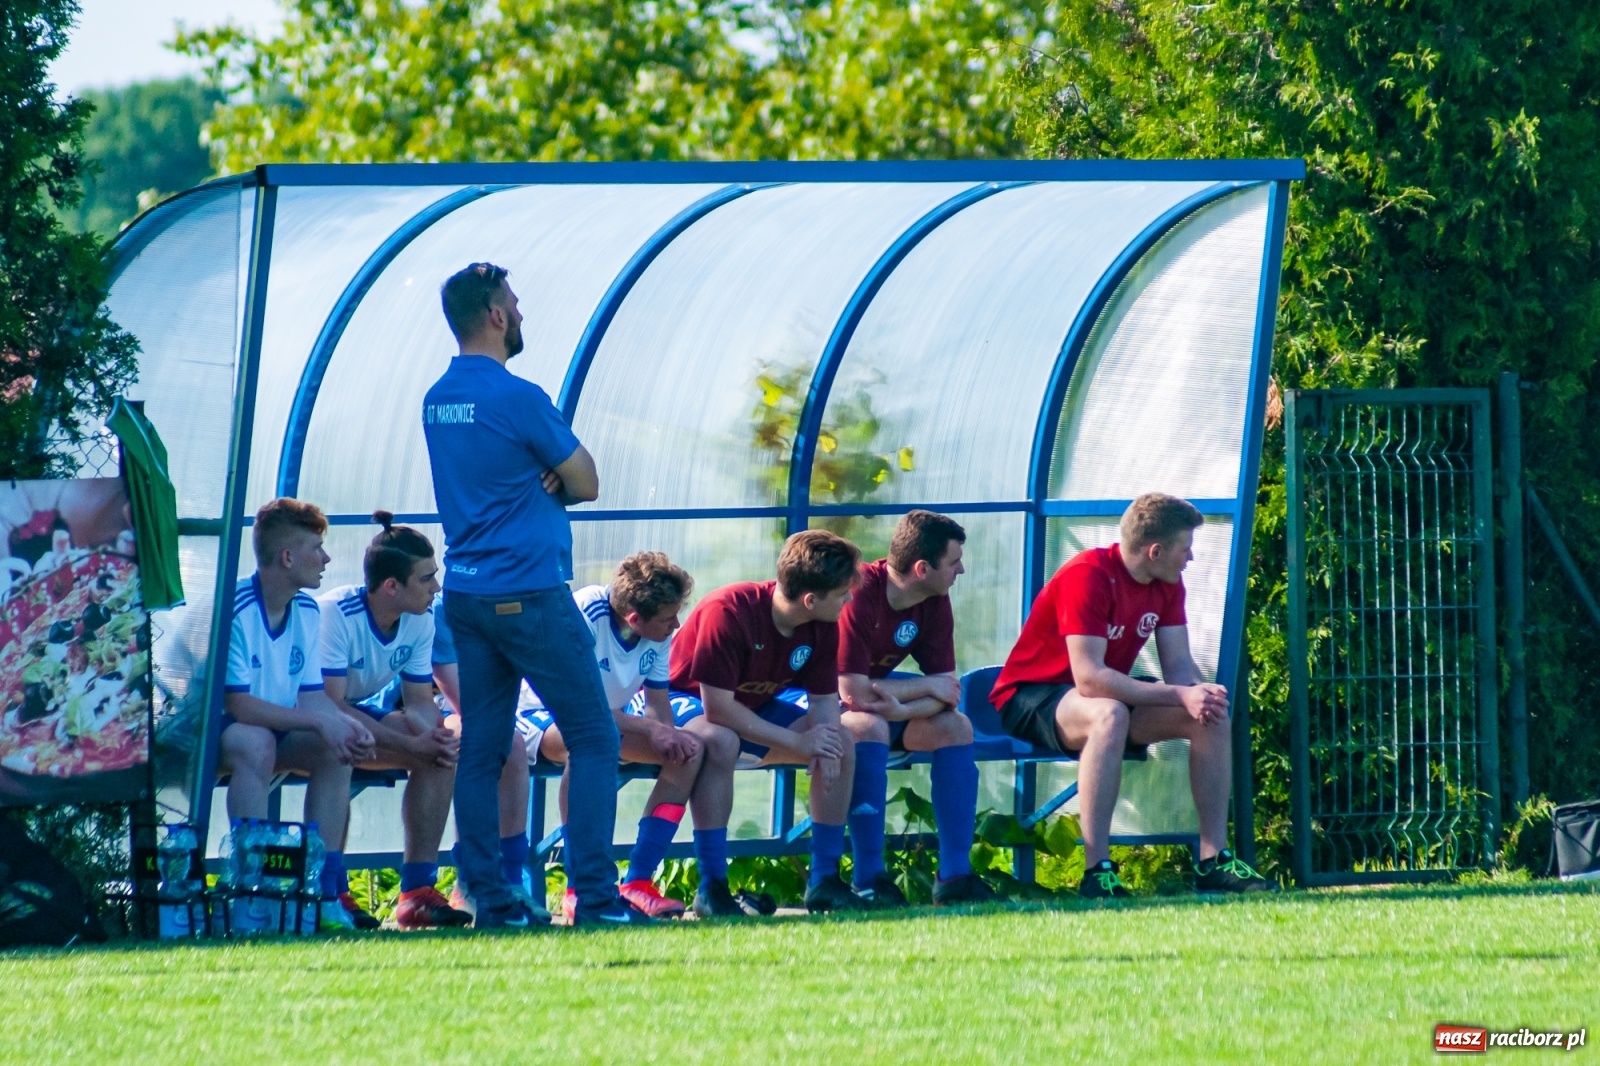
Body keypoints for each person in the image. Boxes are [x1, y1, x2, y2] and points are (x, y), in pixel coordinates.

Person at [422, 262, 636, 928]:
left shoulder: (436, 397)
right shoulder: (518, 396)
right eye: (513, 303)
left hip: (466, 594)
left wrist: (541, 472)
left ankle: (487, 895)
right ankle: (597, 899)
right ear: (494, 315)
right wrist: (553, 474)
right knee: (596, 739)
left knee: (485, 744)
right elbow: (588, 480)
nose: (520, 313)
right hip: (530, 592)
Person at [990, 493, 1276, 898]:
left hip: (1099, 697)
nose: (1189, 559)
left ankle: (1214, 859)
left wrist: (1198, 694)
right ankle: (1097, 872)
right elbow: (1088, 678)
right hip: (1032, 697)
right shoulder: (1087, 575)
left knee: (1208, 714)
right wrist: (1179, 693)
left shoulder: (1168, 583)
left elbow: (1178, 666)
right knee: (1109, 714)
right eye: (1185, 549)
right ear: (1155, 551)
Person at [522, 553, 742, 920]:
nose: (677, 625)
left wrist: (667, 734)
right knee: (592, 746)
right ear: (635, 619)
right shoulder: (584, 616)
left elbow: (657, 703)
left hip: (611, 722)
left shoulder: (655, 632)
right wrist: (651, 729)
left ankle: (638, 882)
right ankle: (580, 887)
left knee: (689, 752)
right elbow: (579, 706)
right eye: (669, 618)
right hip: (544, 715)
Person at [669, 530, 865, 914]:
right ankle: (712, 886)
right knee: (720, 741)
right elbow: (718, 710)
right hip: (686, 700)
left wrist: (824, 743)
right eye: (843, 593)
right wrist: (800, 744)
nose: (850, 599)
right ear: (811, 599)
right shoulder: (728, 611)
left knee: (841, 740)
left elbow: (825, 700)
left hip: (751, 707)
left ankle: (824, 879)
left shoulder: (824, 623)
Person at [217, 498, 376, 930]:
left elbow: (310, 696)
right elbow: (239, 706)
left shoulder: (306, 610)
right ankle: (254, 895)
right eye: (316, 548)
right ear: (287, 557)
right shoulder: (235, 609)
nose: (326, 559)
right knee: (256, 741)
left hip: (274, 727)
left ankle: (323, 894)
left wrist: (344, 725)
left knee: (336, 748)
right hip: (207, 737)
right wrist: (318, 720)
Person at [317, 512, 469, 930]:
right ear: (391, 586)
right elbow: (328, 706)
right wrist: (410, 744)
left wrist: (431, 737)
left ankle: (417, 893)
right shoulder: (335, 615)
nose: (436, 588)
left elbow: (420, 700)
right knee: (345, 740)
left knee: (441, 753)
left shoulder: (420, 619)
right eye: (426, 578)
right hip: (310, 719)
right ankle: (331, 892)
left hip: (352, 715)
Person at [837, 510, 994, 907]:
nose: (961, 570)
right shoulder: (859, 592)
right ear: (922, 568)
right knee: (865, 726)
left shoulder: (934, 600)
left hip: (883, 710)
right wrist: (923, 688)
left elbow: (950, 693)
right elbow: (852, 692)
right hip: (818, 707)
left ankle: (955, 876)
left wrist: (900, 710)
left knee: (955, 727)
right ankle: (869, 878)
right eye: (954, 561)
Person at [429, 593, 544, 921]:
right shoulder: (443, 607)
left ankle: (509, 881)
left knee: (512, 745)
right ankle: (469, 883)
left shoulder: (512, 601)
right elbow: (455, 694)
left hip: (487, 709)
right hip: (436, 708)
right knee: (483, 737)